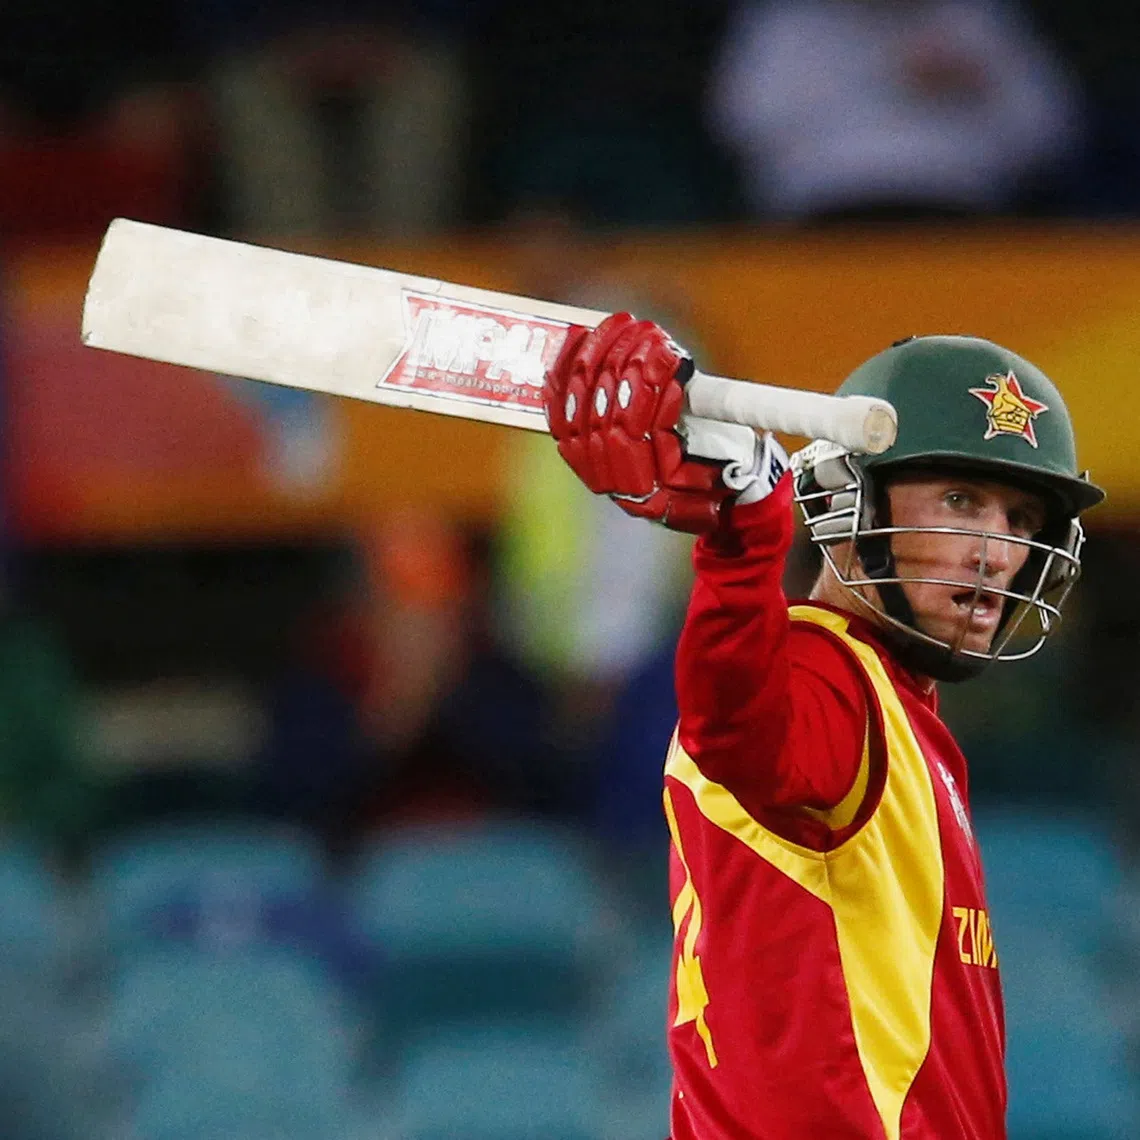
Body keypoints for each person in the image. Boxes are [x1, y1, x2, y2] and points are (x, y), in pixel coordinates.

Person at [543, 314, 1104, 1139]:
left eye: (1020, 520)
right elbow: (738, 727)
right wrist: (741, 546)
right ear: (848, 500)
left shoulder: (896, 704)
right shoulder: (823, 673)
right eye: (961, 500)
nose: (996, 550)